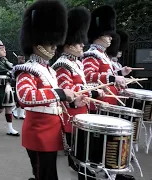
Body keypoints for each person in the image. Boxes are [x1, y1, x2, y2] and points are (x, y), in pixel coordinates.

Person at [12, 1, 86, 179]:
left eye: (55, 43)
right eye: (50, 43)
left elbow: (56, 101)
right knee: (44, 175)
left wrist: (73, 100)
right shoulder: (27, 69)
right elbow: (25, 97)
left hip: (51, 131)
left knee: (49, 174)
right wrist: (60, 93)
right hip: (38, 133)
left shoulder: (49, 70)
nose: (55, 47)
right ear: (37, 44)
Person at [51, 7, 104, 180]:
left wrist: (94, 90)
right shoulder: (62, 65)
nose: (83, 44)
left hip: (82, 112)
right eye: (78, 42)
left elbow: (83, 84)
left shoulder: (77, 63)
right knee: (77, 156)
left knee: (84, 152)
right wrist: (94, 94)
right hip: (71, 115)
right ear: (68, 44)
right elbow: (69, 92)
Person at [82, 5, 128, 113]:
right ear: (99, 35)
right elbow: (88, 75)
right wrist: (113, 79)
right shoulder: (92, 54)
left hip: (109, 101)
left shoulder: (103, 55)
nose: (111, 38)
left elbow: (107, 73)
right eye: (108, 35)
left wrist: (120, 73)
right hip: (99, 103)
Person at [12, 55, 26, 120]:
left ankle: (21, 114)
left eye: (23, 59)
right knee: (19, 99)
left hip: (24, 84)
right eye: (21, 59)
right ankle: (14, 110)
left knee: (23, 99)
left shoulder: (26, 67)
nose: (22, 60)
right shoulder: (16, 67)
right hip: (18, 84)